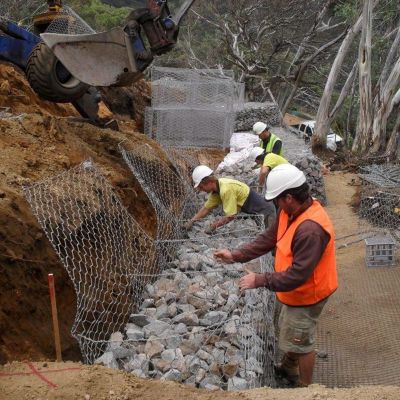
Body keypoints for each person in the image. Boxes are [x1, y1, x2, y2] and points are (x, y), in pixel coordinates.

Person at [214, 164, 338, 387]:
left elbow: (298, 275)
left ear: (288, 197)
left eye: (276, 200)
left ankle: (306, 388)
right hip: (295, 291)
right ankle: (290, 367)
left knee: (302, 339)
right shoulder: (288, 212)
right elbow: (268, 239)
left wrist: (259, 280)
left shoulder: (310, 229)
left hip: (309, 292)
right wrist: (235, 255)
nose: (274, 204)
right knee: (293, 330)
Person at [184, 165, 276, 233]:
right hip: (258, 212)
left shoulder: (226, 190)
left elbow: (230, 216)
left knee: (272, 240)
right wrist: (191, 222)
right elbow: (206, 208)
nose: (201, 190)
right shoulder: (217, 189)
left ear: (209, 182)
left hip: (266, 212)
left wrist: (213, 227)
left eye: (201, 186)